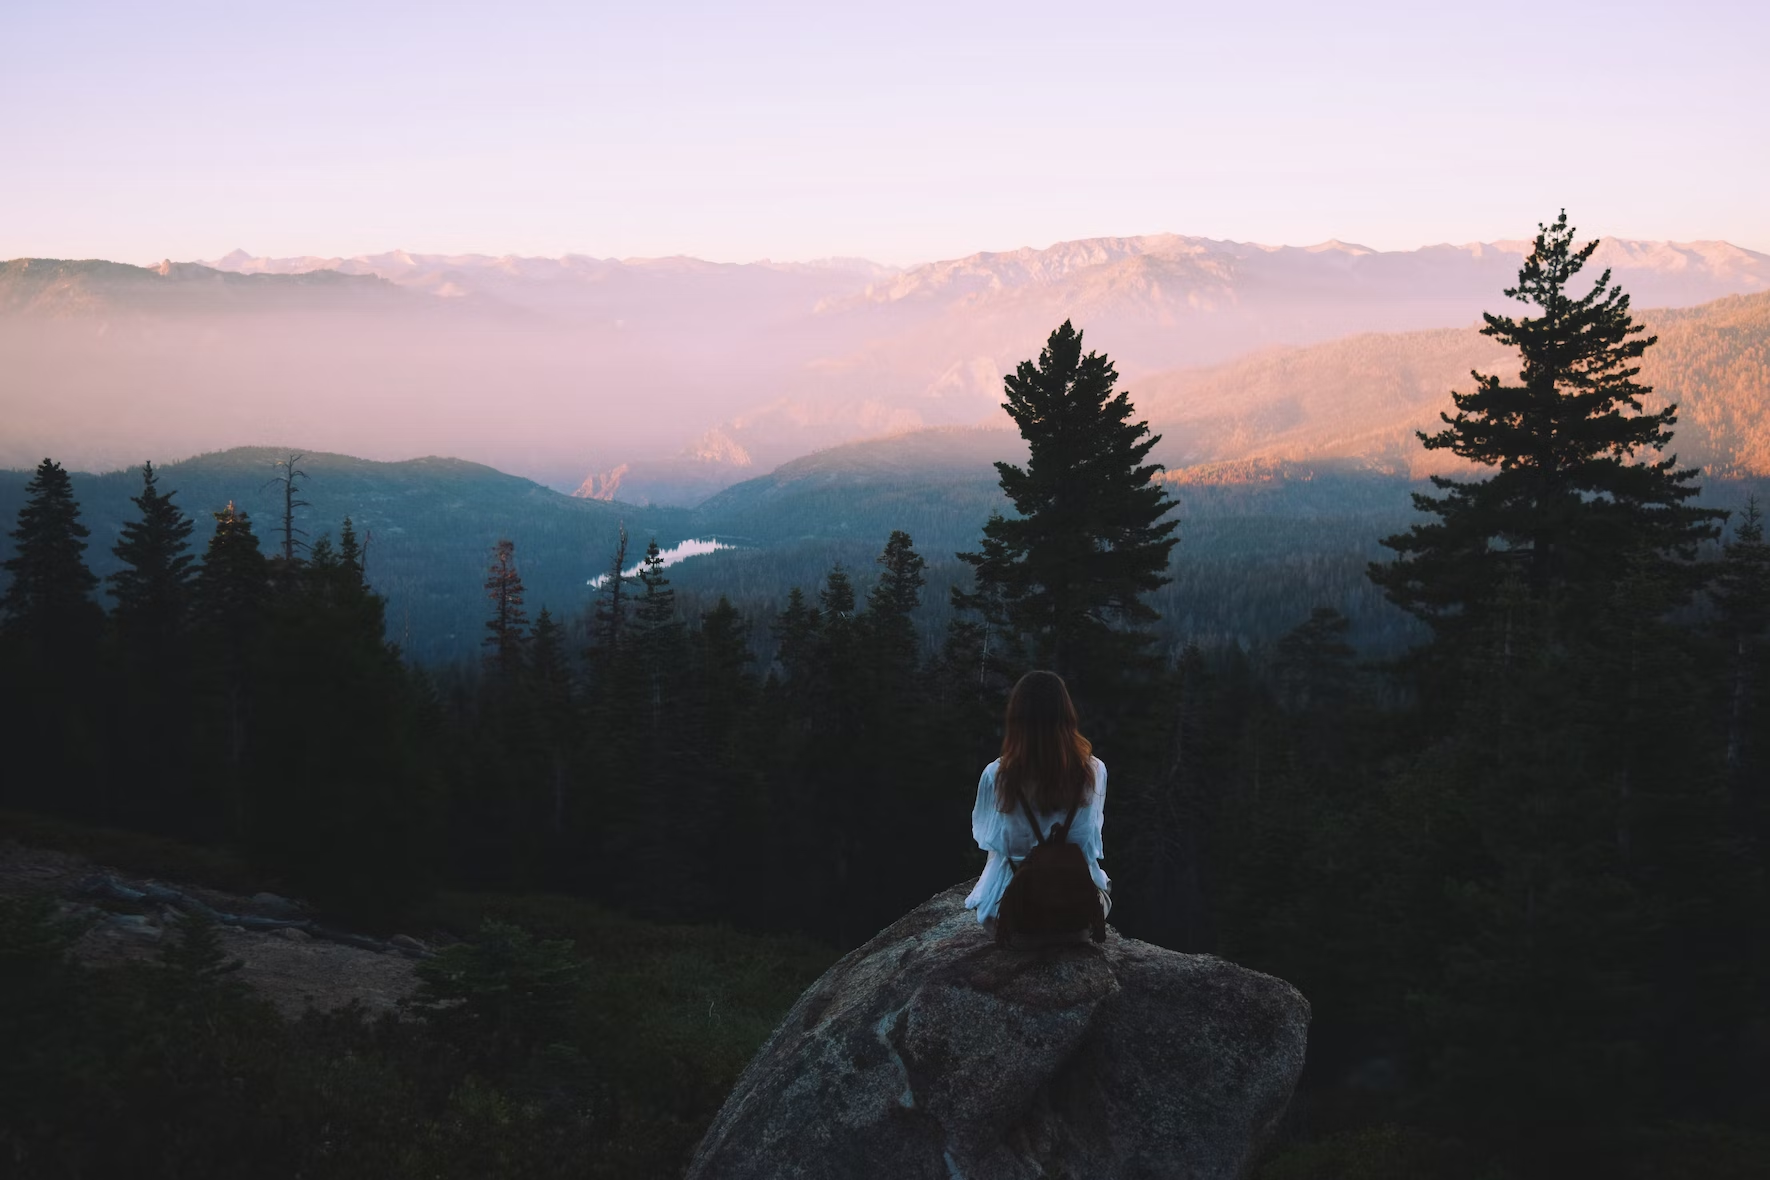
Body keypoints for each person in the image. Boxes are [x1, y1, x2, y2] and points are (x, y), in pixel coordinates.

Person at [964, 670, 1111, 932]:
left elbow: (989, 841)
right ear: (1067, 716)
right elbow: (1091, 849)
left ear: (1016, 720)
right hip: (1076, 918)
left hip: (1013, 918)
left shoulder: (996, 775)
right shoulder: (1095, 771)